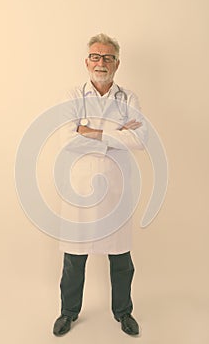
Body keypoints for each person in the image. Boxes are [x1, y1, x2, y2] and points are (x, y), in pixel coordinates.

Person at [53, 33, 147, 336]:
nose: (101, 62)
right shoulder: (72, 96)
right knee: (74, 257)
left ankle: (123, 312)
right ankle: (68, 312)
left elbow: (140, 139)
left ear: (118, 63)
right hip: (79, 188)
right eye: (96, 56)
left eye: (107, 57)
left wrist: (90, 132)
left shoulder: (128, 98)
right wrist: (115, 133)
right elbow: (67, 139)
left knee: (121, 258)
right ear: (86, 61)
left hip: (116, 189)